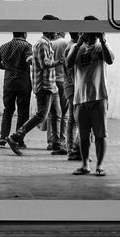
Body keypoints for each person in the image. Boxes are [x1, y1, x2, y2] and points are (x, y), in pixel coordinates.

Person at [67, 16, 114, 176]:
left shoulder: (102, 47)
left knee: (101, 134)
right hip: (80, 99)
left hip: (99, 97)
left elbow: (110, 60)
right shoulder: (75, 47)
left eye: (94, 32)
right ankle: (85, 164)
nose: (91, 35)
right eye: (89, 32)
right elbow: (68, 63)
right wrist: (79, 43)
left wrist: (103, 39)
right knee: (84, 135)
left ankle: (99, 165)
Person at [10, 18, 65, 155]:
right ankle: (15, 137)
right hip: (44, 86)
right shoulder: (42, 44)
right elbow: (44, 64)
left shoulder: (46, 43)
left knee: (57, 114)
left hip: (51, 85)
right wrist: (59, 61)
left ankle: (56, 144)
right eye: (55, 28)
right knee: (41, 115)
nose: (57, 31)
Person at [0, 32, 31, 155]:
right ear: (24, 34)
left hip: (8, 82)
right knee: (23, 111)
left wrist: (8, 68)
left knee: (8, 109)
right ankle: (18, 140)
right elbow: (29, 60)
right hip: (23, 82)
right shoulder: (27, 46)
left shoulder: (4, 46)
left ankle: (3, 137)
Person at [49, 25, 74, 157]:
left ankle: (51, 141)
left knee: (52, 114)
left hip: (52, 80)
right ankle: (62, 140)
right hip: (63, 81)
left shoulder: (50, 43)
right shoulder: (66, 43)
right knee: (65, 114)